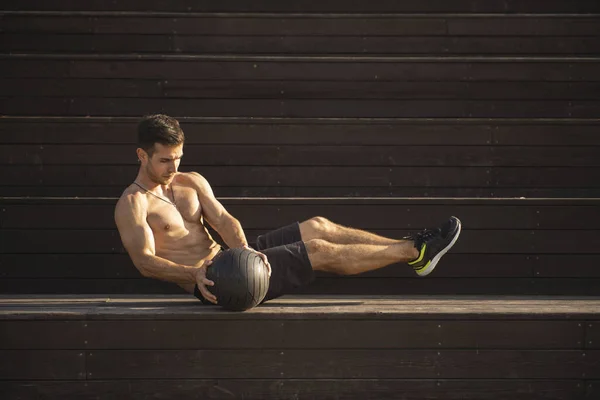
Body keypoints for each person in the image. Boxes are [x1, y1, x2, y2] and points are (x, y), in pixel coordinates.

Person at [114, 114, 462, 305]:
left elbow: (223, 220)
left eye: (178, 157)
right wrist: (193, 275)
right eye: (164, 160)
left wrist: (245, 251)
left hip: (232, 260)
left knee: (318, 226)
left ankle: (412, 249)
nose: (173, 166)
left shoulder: (189, 181)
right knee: (317, 250)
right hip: (215, 284)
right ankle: (416, 250)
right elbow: (145, 262)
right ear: (142, 155)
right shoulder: (134, 204)